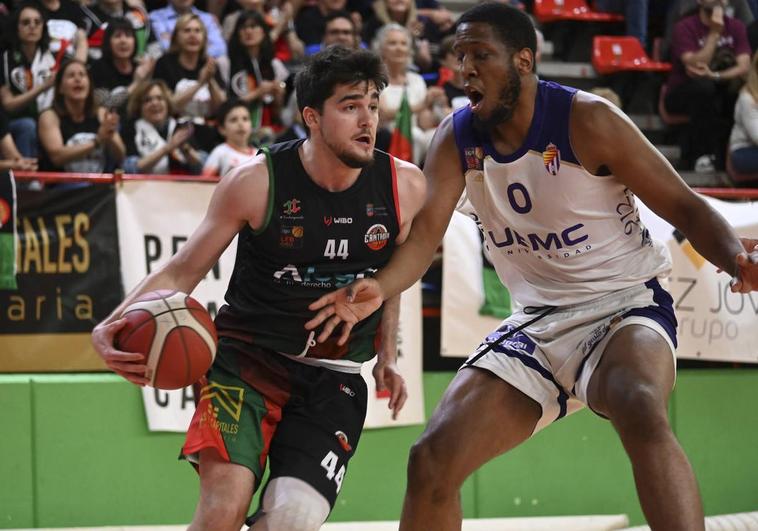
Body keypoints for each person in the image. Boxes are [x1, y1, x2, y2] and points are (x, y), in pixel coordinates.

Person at [305, 5, 758, 531]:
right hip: (538, 320)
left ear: (524, 60)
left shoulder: (589, 120)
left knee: (638, 403)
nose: (465, 68)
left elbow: (683, 205)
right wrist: (378, 287)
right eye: (460, 57)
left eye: (481, 55)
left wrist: (735, 257)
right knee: (431, 458)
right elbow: (424, 235)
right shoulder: (457, 139)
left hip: (624, 305)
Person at [90, 45, 426, 531]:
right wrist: (112, 324)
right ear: (312, 116)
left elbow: (392, 276)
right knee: (222, 510)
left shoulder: (403, 186)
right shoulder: (256, 182)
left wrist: (387, 356)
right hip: (247, 360)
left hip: (335, 375)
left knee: (294, 518)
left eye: (372, 104)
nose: (366, 119)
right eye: (350, 105)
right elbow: (184, 269)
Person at [663, 0, 751, 172]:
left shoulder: (736, 26)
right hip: (681, 90)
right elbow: (695, 67)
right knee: (704, 90)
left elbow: (744, 66)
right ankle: (700, 156)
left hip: (719, 87)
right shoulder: (684, 26)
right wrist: (714, 33)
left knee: (735, 94)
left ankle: (726, 160)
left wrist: (716, 76)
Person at [38, 59, 125, 174]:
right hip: (63, 187)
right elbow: (57, 157)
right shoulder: (49, 116)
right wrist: (97, 141)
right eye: (71, 76)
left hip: (100, 187)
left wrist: (110, 135)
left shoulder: (101, 113)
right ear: (60, 88)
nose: (78, 79)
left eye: (82, 75)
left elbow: (121, 157)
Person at [0, 2, 56, 158]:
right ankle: (27, 179)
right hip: (12, 123)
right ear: (16, 27)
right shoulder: (5, 59)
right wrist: (43, 87)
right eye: (26, 22)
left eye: (37, 22)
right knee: (27, 125)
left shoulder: (52, 58)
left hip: (47, 119)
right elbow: (8, 105)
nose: (32, 26)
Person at [122, 79, 204, 175]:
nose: (155, 103)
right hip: (144, 188)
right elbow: (131, 169)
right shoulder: (132, 129)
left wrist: (185, 149)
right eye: (148, 100)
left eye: (160, 98)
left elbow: (200, 168)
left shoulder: (180, 128)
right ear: (139, 106)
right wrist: (168, 147)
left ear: (167, 103)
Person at [202, 99, 255, 176]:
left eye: (245, 119)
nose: (241, 124)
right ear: (222, 129)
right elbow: (204, 182)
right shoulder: (220, 152)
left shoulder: (259, 155)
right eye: (233, 120)